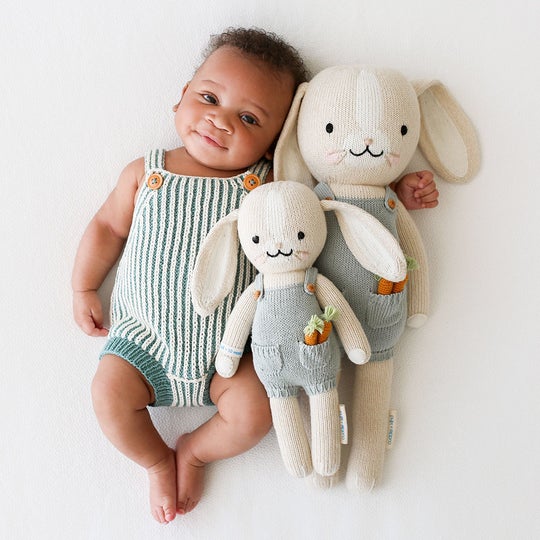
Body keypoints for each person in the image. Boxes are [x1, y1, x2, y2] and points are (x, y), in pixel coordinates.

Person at [71, 27, 438, 524]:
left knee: (256, 413)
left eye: (247, 118)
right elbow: (107, 228)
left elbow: (335, 195)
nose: (219, 121)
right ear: (180, 97)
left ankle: (195, 451)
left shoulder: (267, 185)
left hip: (234, 353)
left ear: (275, 142)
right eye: (208, 97)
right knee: (107, 395)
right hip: (142, 345)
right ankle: (158, 461)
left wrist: (396, 188)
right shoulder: (146, 173)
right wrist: (85, 286)